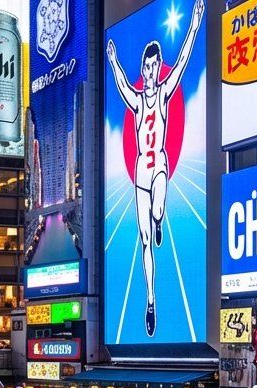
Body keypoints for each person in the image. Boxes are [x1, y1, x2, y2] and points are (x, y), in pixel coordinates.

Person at [105, 0, 205, 336]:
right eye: (146, 68)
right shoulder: (136, 99)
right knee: (146, 242)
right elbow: (120, 85)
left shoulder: (162, 95)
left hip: (158, 164)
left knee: (158, 211)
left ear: (158, 66)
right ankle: (150, 301)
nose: (150, 73)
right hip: (139, 174)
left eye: (154, 66)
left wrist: (193, 25)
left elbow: (184, 61)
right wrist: (115, 61)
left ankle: (160, 219)